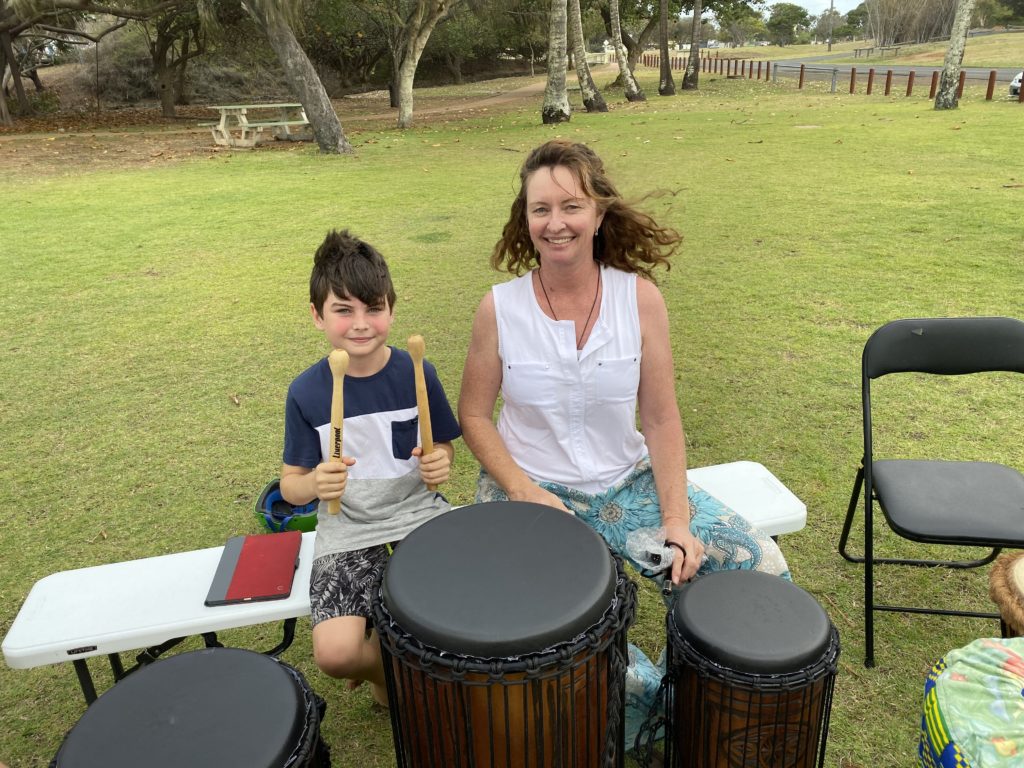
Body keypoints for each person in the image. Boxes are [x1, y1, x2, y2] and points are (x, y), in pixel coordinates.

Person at [458, 140, 790, 747]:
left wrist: (677, 520)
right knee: (557, 643)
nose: (555, 223)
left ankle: (691, 701)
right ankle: (645, 709)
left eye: (570, 205)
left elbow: (661, 420)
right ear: (524, 218)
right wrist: (522, 489)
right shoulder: (498, 309)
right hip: (532, 492)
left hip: (626, 482)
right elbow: (474, 415)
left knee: (759, 565)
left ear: (599, 212)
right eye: (540, 209)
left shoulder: (638, 299)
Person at [280, 229, 461, 707]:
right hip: (347, 526)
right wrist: (316, 482)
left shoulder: (417, 371)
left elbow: (441, 446)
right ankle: (392, 669)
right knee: (336, 654)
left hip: (419, 512)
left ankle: (417, 658)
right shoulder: (306, 392)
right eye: (344, 310)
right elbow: (291, 487)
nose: (361, 324)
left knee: (466, 608)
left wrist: (440, 460)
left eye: (374, 308)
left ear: (391, 310)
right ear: (317, 316)